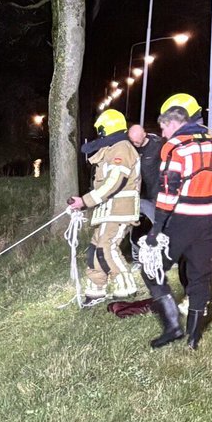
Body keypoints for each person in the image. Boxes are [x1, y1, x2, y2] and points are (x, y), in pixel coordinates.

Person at [142, 93, 212, 349]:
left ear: (177, 119)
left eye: (164, 125)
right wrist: (208, 186)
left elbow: (167, 194)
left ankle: (173, 327)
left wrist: (156, 229)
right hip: (209, 222)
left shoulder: (176, 149)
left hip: (181, 221)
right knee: (200, 277)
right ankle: (193, 339)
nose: (162, 132)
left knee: (151, 269)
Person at [68, 109, 142, 303]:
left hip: (120, 211)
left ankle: (126, 286)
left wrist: (85, 201)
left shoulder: (122, 148)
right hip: (107, 211)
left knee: (107, 247)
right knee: (95, 249)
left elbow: (114, 182)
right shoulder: (111, 148)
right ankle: (96, 288)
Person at [131, 122, 189, 313]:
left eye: (139, 142)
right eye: (134, 142)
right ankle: (139, 257)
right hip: (141, 196)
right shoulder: (129, 144)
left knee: (161, 227)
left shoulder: (158, 145)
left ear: (145, 135)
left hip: (158, 197)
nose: (137, 145)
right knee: (137, 227)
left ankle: (166, 258)